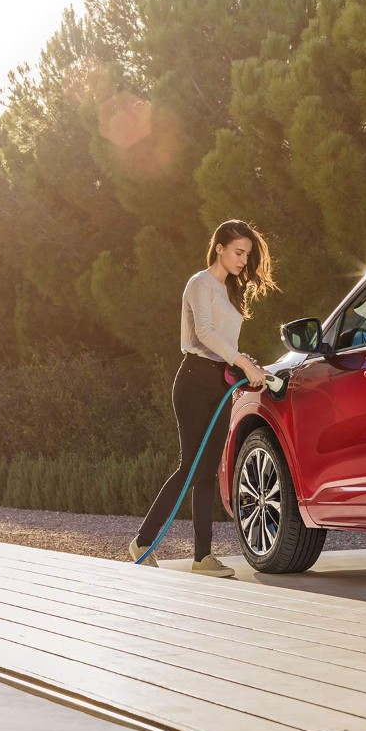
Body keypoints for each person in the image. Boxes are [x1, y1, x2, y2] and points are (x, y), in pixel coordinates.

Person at [128, 220, 275, 577]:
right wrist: (239, 360)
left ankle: (203, 558)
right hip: (193, 381)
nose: (243, 260)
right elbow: (205, 333)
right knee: (191, 466)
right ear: (220, 247)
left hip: (220, 382)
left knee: (208, 471)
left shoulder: (230, 292)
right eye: (238, 252)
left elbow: (227, 345)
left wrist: (244, 363)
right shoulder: (200, 284)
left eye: (247, 254)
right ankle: (143, 542)